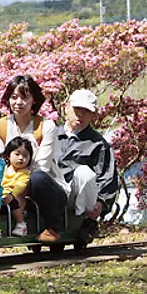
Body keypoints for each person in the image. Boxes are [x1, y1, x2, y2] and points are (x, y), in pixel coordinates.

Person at [0, 75, 65, 244]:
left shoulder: (46, 127)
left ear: (34, 100)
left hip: (45, 190)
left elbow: (42, 167)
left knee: (37, 177)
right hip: (10, 187)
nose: (18, 102)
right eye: (14, 97)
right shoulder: (0, 126)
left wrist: (18, 190)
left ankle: (53, 228)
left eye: (24, 97)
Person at [55, 89, 118, 237]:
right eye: (77, 109)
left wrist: (102, 203)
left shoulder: (98, 144)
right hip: (51, 192)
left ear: (93, 115)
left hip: (77, 198)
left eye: (86, 111)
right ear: (66, 107)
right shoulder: (51, 135)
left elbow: (107, 176)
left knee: (84, 172)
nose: (80, 115)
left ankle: (85, 222)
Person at [1, 137, 34, 237]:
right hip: (0, 196)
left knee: (13, 203)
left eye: (25, 156)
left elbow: (21, 185)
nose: (21, 158)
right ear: (8, 155)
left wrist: (11, 195)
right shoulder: (3, 168)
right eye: (17, 154)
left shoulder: (25, 173)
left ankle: (21, 224)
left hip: (13, 197)